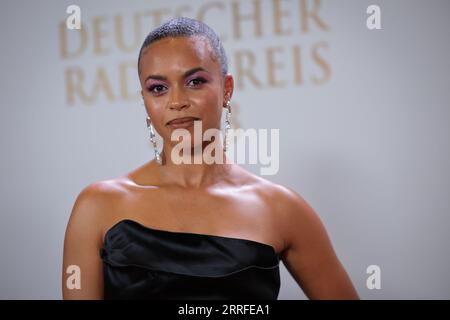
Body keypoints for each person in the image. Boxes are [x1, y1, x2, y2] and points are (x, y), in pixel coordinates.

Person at [62, 17, 359, 300]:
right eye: (158, 88)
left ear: (226, 89)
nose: (177, 101)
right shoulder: (98, 206)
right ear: (145, 100)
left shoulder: (280, 209)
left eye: (195, 82)